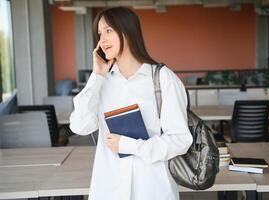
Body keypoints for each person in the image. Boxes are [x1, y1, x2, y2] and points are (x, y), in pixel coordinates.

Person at [69, 6, 192, 200]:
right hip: (109, 189)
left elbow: (180, 140)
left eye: (108, 30)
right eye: (100, 33)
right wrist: (96, 76)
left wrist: (131, 146)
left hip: (152, 189)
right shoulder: (102, 81)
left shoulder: (162, 78)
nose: (102, 40)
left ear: (127, 31)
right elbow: (79, 126)